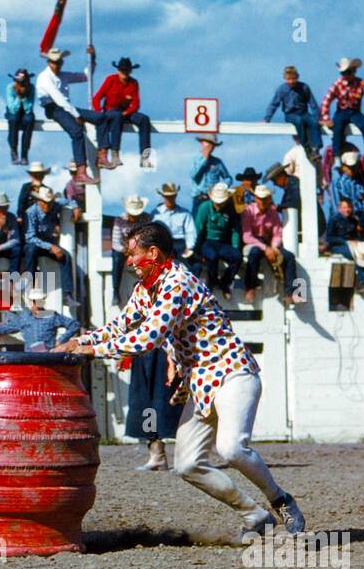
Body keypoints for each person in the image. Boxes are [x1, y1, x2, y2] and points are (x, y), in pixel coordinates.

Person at [54, 220, 305, 538]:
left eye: (133, 254)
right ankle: (255, 517)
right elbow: (121, 325)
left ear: (153, 253)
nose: (129, 262)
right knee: (187, 465)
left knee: (231, 448)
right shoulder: (147, 288)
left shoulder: (177, 283)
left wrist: (89, 349)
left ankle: (280, 501)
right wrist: (80, 340)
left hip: (232, 374)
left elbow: (146, 339)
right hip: (200, 385)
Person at [34, 45, 101, 184]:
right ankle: (81, 170)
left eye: (58, 62)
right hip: (53, 107)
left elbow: (85, 77)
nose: (56, 65)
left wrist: (92, 60)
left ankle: (103, 154)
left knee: (99, 117)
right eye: (53, 62)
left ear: (61, 62)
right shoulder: (44, 78)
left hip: (66, 107)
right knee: (76, 132)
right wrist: (76, 115)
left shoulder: (63, 75)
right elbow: (57, 97)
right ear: (49, 62)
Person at [126, 345, 185, 471]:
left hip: (166, 347)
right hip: (142, 346)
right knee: (146, 404)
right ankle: (157, 455)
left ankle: (184, 459)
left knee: (171, 402)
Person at [242, 185, 303, 307]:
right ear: (255, 198)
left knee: (289, 256)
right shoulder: (248, 211)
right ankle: (250, 288)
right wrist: (265, 248)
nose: (263, 201)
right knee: (254, 253)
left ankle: (292, 293)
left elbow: (277, 233)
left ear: (269, 199)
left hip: (269, 243)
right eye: (260, 198)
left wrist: (274, 247)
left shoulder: (273, 213)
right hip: (253, 242)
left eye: (265, 198)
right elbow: (247, 236)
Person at [320, 57, 364, 169]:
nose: (346, 75)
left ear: (354, 71)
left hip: (355, 112)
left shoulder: (362, 83)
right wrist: (326, 118)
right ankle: (337, 156)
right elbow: (326, 100)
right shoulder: (338, 83)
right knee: (337, 127)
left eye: (348, 72)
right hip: (341, 111)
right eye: (343, 73)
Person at [91, 56, 151, 168]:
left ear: (130, 71)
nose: (124, 72)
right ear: (118, 70)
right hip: (110, 111)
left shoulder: (134, 83)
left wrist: (126, 113)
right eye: (122, 70)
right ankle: (115, 154)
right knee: (116, 116)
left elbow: (136, 104)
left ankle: (145, 157)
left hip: (126, 111)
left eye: (127, 70)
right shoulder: (110, 80)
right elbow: (96, 98)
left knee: (144, 119)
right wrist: (99, 114)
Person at [22, 185, 76, 305]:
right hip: (34, 244)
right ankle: (30, 285)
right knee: (31, 250)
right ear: (38, 201)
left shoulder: (55, 204)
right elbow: (30, 237)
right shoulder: (30, 212)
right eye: (45, 203)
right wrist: (51, 246)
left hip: (47, 243)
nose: (48, 206)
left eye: (50, 203)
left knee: (65, 256)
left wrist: (76, 208)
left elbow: (69, 201)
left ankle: (67, 295)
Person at [0, 287, 79, 351]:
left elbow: (74, 325)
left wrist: (60, 340)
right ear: (30, 302)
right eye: (34, 301)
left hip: (49, 356)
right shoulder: (24, 317)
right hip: (31, 357)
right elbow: (5, 328)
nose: (37, 305)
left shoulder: (52, 315)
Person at [263, 65, 322, 159]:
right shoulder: (282, 89)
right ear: (285, 78)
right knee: (299, 121)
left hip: (303, 112)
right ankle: (306, 147)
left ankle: (315, 148)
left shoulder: (304, 87)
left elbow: (312, 103)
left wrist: (318, 118)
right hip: (291, 114)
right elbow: (274, 104)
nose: (291, 81)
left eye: (293, 79)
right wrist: (267, 118)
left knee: (313, 122)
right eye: (289, 79)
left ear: (297, 77)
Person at [195, 184, 243, 299]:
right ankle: (211, 284)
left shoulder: (231, 209)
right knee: (212, 257)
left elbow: (234, 230)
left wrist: (235, 246)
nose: (220, 205)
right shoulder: (204, 207)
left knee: (237, 257)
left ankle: (225, 282)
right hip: (208, 241)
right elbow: (199, 229)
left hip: (223, 243)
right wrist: (197, 250)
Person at [324, 197, 364, 294]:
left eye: (349, 207)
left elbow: (357, 235)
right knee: (356, 254)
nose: (347, 210)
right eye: (344, 207)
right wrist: (345, 242)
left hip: (353, 245)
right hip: (338, 246)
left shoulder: (354, 220)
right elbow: (329, 238)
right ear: (339, 209)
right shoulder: (334, 219)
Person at [111, 195, 151, 304]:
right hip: (123, 249)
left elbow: (149, 236)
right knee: (116, 260)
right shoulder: (119, 220)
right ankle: (115, 290)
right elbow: (115, 242)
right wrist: (126, 250)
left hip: (141, 248)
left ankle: (146, 286)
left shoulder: (147, 218)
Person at [153, 183, 196, 266]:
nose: (170, 199)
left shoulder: (185, 213)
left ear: (175, 196)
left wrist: (189, 247)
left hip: (180, 244)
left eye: (172, 196)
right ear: (163, 197)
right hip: (163, 244)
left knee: (195, 265)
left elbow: (190, 231)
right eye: (167, 197)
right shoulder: (156, 213)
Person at [189, 133, 232, 216]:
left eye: (212, 144)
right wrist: (205, 159)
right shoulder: (195, 159)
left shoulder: (218, 162)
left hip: (214, 199)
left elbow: (228, 178)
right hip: (199, 198)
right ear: (202, 143)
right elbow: (193, 175)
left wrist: (221, 187)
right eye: (208, 143)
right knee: (197, 225)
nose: (210, 146)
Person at [4, 68, 36, 165]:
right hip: (13, 111)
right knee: (13, 119)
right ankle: (13, 151)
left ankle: (24, 153)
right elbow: (13, 109)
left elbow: (29, 109)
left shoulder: (31, 88)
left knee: (29, 120)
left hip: (25, 112)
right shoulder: (10, 88)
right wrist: (18, 97)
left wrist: (24, 97)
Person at [16, 160, 51, 233]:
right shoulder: (26, 187)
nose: (38, 177)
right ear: (31, 176)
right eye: (35, 175)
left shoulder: (47, 190)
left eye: (39, 174)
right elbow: (21, 205)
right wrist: (21, 217)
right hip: (27, 221)